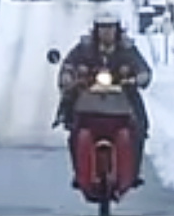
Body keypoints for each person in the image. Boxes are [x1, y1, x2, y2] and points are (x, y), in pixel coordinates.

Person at [54, 10, 152, 188]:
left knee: (139, 129)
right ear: (96, 30)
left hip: (122, 102)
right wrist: (69, 77)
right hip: (87, 102)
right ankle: (79, 172)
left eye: (110, 28)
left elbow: (142, 68)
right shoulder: (84, 48)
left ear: (117, 30)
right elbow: (68, 64)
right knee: (74, 131)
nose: (107, 32)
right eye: (103, 28)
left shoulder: (127, 49)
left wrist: (137, 78)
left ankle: (134, 172)